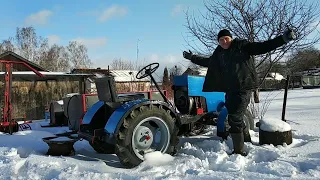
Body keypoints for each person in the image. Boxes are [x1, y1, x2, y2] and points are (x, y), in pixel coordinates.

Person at [183, 28, 296, 156]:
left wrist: (283, 39)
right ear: (218, 42)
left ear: (231, 38)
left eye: (226, 38)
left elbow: (262, 47)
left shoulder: (242, 46)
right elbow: (208, 62)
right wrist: (192, 57)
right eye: (221, 40)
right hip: (230, 90)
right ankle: (246, 141)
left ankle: (238, 151)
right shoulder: (219, 53)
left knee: (234, 117)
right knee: (236, 115)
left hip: (244, 88)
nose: (224, 41)